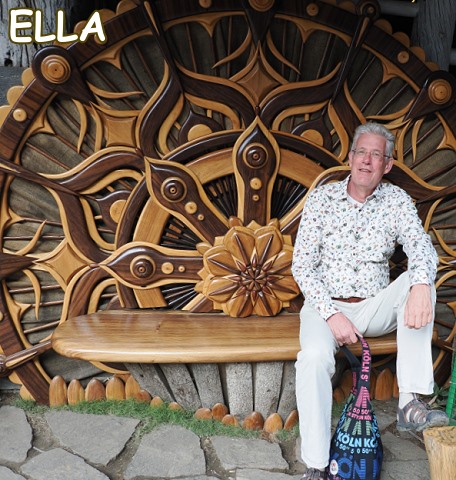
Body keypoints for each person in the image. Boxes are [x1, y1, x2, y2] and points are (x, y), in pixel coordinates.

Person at [291, 122, 449, 480]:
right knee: (313, 358)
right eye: (361, 152)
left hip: (373, 306)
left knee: (419, 280)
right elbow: (302, 266)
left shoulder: (396, 201)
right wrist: (331, 315)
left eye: (376, 154)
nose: (367, 160)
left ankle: (410, 402)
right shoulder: (322, 199)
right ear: (350, 158)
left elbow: (421, 246)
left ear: (387, 165)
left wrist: (421, 285)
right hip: (324, 308)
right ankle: (316, 465)